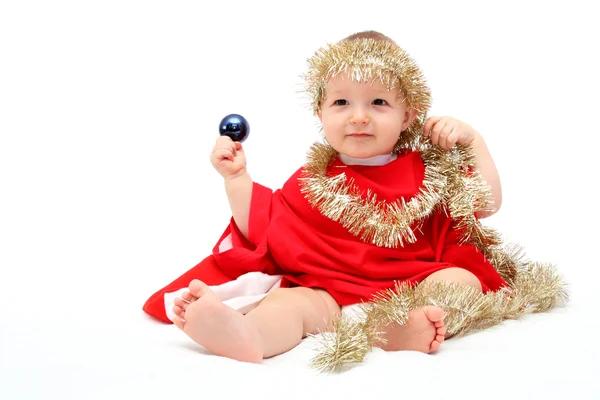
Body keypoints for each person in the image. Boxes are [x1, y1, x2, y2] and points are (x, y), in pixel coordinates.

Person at [169, 30, 512, 364]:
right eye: (341, 102)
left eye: (378, 102)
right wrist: (236, 178)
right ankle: (248, 334)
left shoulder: (428, 173)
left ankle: (397, 328)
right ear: (320, 111)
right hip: (327, 292)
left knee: (460, 282)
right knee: (287, 304)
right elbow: (265, 222)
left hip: (409, 287)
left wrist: (475, 143)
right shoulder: (312, 180)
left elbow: (485, 203)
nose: (358, 116)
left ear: (406, 114)